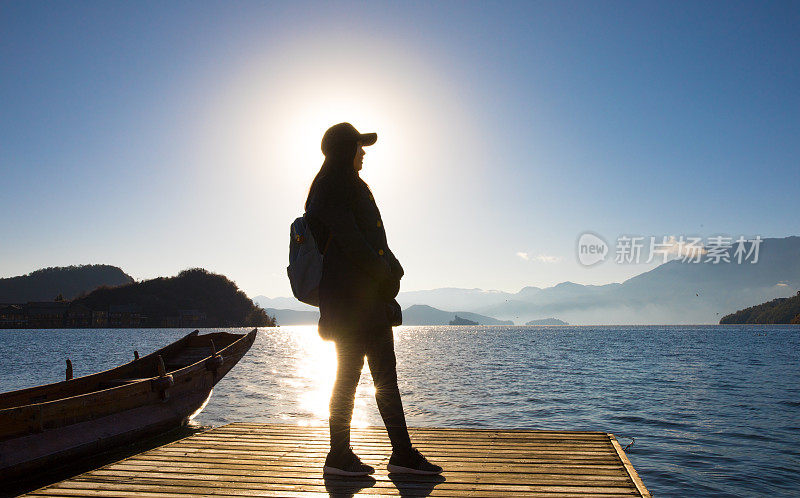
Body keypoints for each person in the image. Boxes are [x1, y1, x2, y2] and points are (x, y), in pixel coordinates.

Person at [305, 122, 442, 477]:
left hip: (355, 303)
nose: (363, 153)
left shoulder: (336, 186)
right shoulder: (334, 188)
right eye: (358, 147)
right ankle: (393, 456)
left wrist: (392, 265)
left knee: (352, 378)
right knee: (376, 379)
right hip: (357, 304)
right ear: (344, 150)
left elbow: (368, 239)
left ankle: (345, 456)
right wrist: (386, 272)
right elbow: (353, 243)